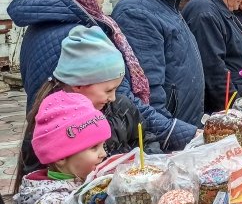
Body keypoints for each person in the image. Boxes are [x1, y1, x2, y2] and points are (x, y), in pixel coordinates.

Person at [13, 26, 161, 192]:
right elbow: (36, 183)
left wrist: (147, 165)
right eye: (108, 90)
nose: (113, 97)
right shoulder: (52, 122)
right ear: (78, 85)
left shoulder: (121, 107)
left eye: (116, 89)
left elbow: (146, 139)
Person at [6, 0, 150, 111]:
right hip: (78, 132)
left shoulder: (42, 25)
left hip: (48, 129)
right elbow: (118, 101)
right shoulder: (77, 36)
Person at [111, 0, 204, 151]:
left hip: (184, 126)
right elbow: (147, 89)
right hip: (168, 136)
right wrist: (171, 132)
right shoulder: (137, 12)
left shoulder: (163, 4)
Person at [14, 91, 111, 204]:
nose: (103, 154)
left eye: (103, 146)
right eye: (94, 147)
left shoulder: (83, 178)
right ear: (61, 158)